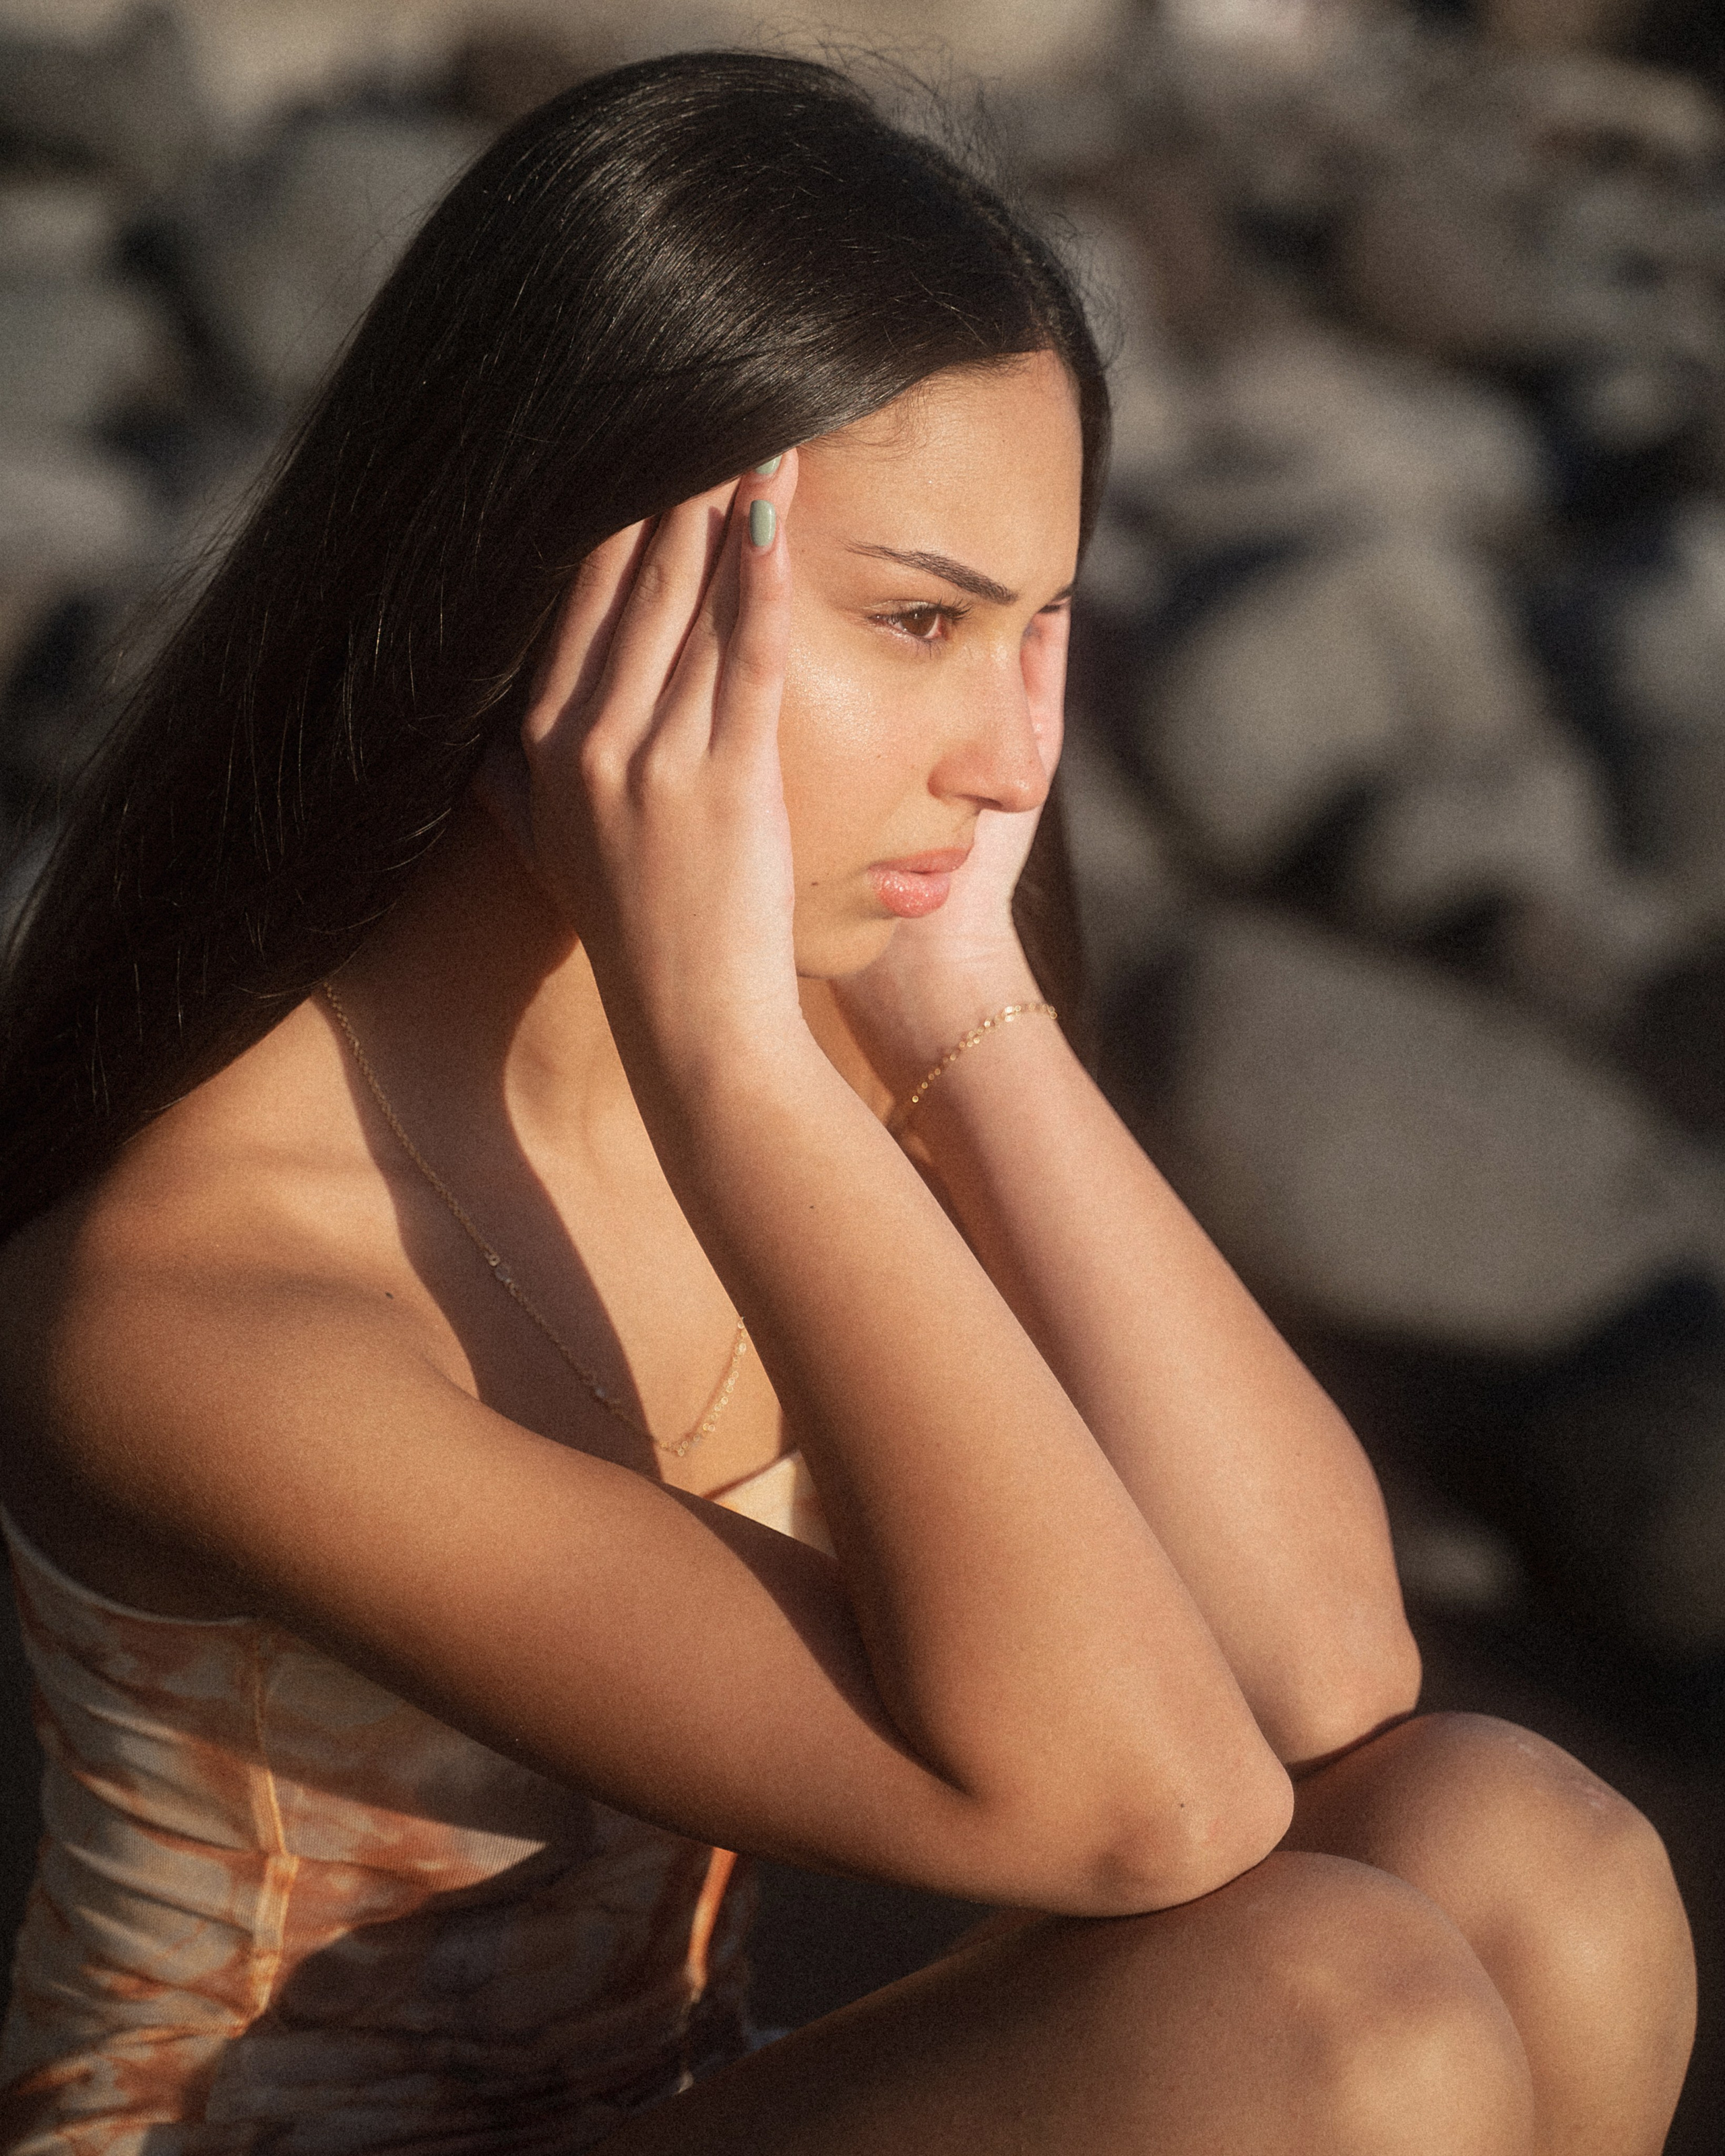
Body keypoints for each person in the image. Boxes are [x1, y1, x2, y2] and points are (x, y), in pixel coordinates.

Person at [0, 49, 1696, 2156]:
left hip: (682, 2098)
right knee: (1326, 2024)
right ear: (569, 594)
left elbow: (1323, 1674)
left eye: (1041, 633)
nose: (1008, 758)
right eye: (919, 622)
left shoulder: (826, 1040)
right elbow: (1137, 1806)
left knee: (1523, 1853)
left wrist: (967, 995)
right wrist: (729, 1059)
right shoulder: (205, 1297)